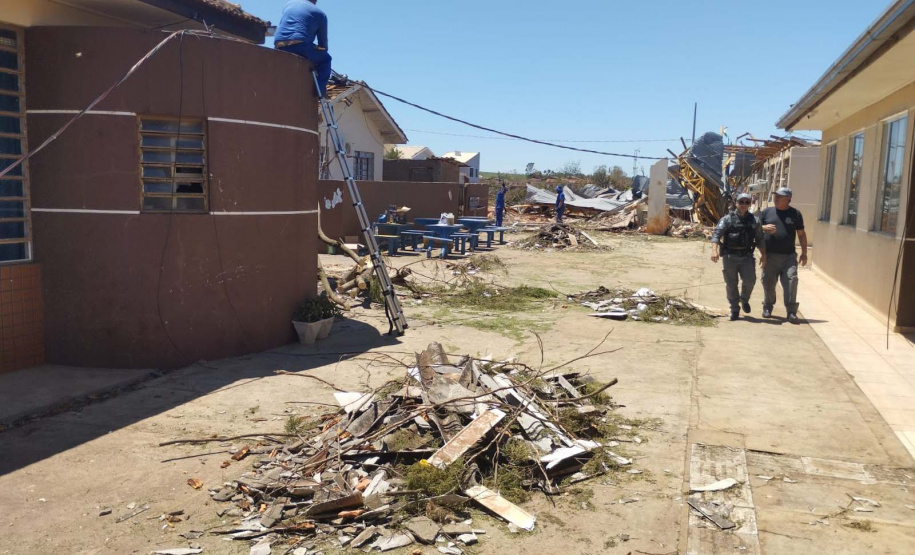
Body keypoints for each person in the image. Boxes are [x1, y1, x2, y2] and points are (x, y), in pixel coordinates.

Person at [710, 193, 765, 321]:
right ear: (736, 203)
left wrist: (764, 255)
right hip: (730, 257)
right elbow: (716, 235)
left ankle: (744, 299)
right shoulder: (727, 219)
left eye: (747, 202)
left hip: (746, 257)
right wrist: (714, 250)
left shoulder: (755, 220)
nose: (744, 205)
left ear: (750, 204)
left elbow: (760, 239)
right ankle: (734, 308)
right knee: (731, 284)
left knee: (750, 280)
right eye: (741, 202)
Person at [759, 187, 808, 324]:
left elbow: (802, 235)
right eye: (776, 196)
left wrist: (804, 253)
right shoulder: (766, 212)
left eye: (779, 196)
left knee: (792, 281)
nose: (776, 198)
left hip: (789, 257)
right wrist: (763, 228)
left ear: (788, 199)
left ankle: (791, 312)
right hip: (770, 255)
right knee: (768, 282)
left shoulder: (795, 214)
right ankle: (767, 307)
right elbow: (753, 227)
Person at [275, 0, 332, 97]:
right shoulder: (320, 14)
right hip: (299, 46)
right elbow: (323, 44)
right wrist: (319, 49)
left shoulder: (289, 4)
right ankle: (320, 91)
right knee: (326, 59)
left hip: (279, 45)